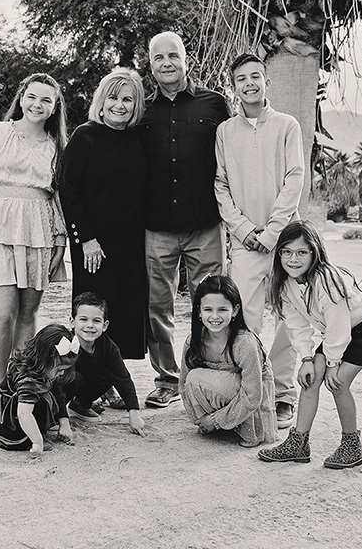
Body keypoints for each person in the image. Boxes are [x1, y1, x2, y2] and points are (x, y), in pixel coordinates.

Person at [257, 221, 362, 469]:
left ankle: (352, 446)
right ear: (278, 253)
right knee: (311, 378)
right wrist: (306, 359)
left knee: (338, 382)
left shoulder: (326, 279)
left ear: (315, 252)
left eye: (302, 252)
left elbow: (339, 325)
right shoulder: (285, 284)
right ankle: (298, 443)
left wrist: (333, 364)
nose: (293, 259)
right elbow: (297, 325)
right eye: (286, 252)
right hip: (339, 331)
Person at [138, 31, 230, 408]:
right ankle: (167, 378)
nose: (166, 63)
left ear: (186, 59)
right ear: (151, 64)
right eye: (158, 58)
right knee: (157, 306)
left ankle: (209, 374)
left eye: (173, 55)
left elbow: (231, 159)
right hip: (156, 227)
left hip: (205, 225)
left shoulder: (215, 104)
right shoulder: (141, 110)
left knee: (210, 303)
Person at [214, 52, 304, 429]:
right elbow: (221, 186)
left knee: (291, 316)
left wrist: (271, 234)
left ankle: (282, 393)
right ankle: (251, 388)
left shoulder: (287, 126)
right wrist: (246, 231)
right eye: (241, 79)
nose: (249, 84)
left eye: (255, 77)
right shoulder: (225, 132)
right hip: (245, 244)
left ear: (266, 81)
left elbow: (295, 178)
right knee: (245, 319)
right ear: (233, 87)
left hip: (286, 241)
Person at [0, 72, 69, 386]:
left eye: (46, 100)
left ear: (55, 108)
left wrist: (60, 240)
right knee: (2, 313)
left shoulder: (58, 145)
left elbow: (59, 196)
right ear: (21, 98)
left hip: (39, 231)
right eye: (32, 97)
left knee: (27, 314)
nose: (37, 105)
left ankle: (20, 384)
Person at [59, 68, 148, 362]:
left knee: (124, 312)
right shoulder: (85, 136)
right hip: (92, 246)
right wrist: (86, 238)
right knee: (92, 314)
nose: (119, 105)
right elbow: (67, 190)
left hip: (130, 245)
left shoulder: (138, 139)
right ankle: (85, 383)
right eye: (113, 98)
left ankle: (111, 381)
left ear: (137, 105)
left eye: (127, 99)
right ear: (102, 100)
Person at [179, 275, 278, 448]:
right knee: (192, 379)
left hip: (251, 403)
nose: (215, 316)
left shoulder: (244, 343)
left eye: (222, 309)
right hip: (226, 397)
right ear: (199, 312)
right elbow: (184, 385)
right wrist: (201, 419)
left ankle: (233, 426)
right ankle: (220, 425)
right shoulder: (193, 342)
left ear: (235, 310)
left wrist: (215, 420)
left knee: (197, 377)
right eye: (208, 309)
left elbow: (253, 396)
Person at [63, 292, 147, 437]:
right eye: (83, 319)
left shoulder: (108, 347)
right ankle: (53, 413)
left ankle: (81, 405)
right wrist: (63, 422)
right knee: (72, 377)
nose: (90, 325)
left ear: (105, 325)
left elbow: (123, 379)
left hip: (85, 385)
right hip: (60, 389)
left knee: (110, 373)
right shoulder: (63, 344)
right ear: (72, 321)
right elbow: (53, 384)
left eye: (96, 321)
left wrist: (134, 414)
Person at [0, 324, 78, 456]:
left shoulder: (33, 365)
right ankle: (28, 439)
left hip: (3, 412)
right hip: (8, 426)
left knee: (47, 395)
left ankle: (33, 432)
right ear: (45, 359)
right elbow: (24, 414)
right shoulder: (29, 381)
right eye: (59, 369)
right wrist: (37, 442)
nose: (62, 373)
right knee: (42, 402)